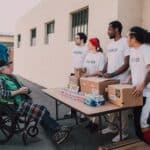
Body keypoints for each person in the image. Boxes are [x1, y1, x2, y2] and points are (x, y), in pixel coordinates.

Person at [0, 60, 71, 144]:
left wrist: (27, 90)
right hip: (13, 105)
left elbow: (23, 87)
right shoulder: (1, 79)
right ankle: (57, 129)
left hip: (23, 102)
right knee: (41, 111)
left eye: (9, 66)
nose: (11, 67)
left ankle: (54, 133)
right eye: (8, 67)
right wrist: (19, 91)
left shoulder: (12, 77)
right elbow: (2, 94)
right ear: (1, 70)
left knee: (42, 110)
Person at [100, 21, 130, 142]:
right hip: (110, 80)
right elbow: (108, 60)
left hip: (121, 81)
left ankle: (125, 132)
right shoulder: (110, 43)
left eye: (109, 29)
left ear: (117, 30)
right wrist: (103, 72)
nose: (108, 31)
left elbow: (126, 64)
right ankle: (112, 127)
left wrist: (112, 74)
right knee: (111, 103)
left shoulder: (125, 43)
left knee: (122, 107)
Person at [127, 26, 150, 144]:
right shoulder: (132, 51)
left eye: (128, 37)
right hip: (137, 92)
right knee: (136, 121)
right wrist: (130, 78)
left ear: (134, 38)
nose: (126, 39)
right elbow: (135, 68)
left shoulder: (145, 49)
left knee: (143, 122)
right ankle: (142, 144)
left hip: (147, 92)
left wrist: (141, 85)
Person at [82, 37, 105, 132]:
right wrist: (82, 70)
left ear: (94, 45)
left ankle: (95, 123)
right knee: (88, 101)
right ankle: (90, 121)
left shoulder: (100, 56)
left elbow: (100, 71)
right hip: (87, 81)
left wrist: (89, 74)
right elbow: (84, 67)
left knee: (95, 102)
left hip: (96, 82)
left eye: (89, 44)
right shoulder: (88, 55)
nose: (87, 45)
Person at [65, 32, 88, 119]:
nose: (75, 40)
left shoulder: (86, 49)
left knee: (82, 93)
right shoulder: (74, 49)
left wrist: (84, 71)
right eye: (75, 38)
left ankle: (83, 113)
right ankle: (72, 111)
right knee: (73, 92)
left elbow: (87, 63)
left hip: (83, 74)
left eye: (77, 38)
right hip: (74, 73)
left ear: (82, 39)